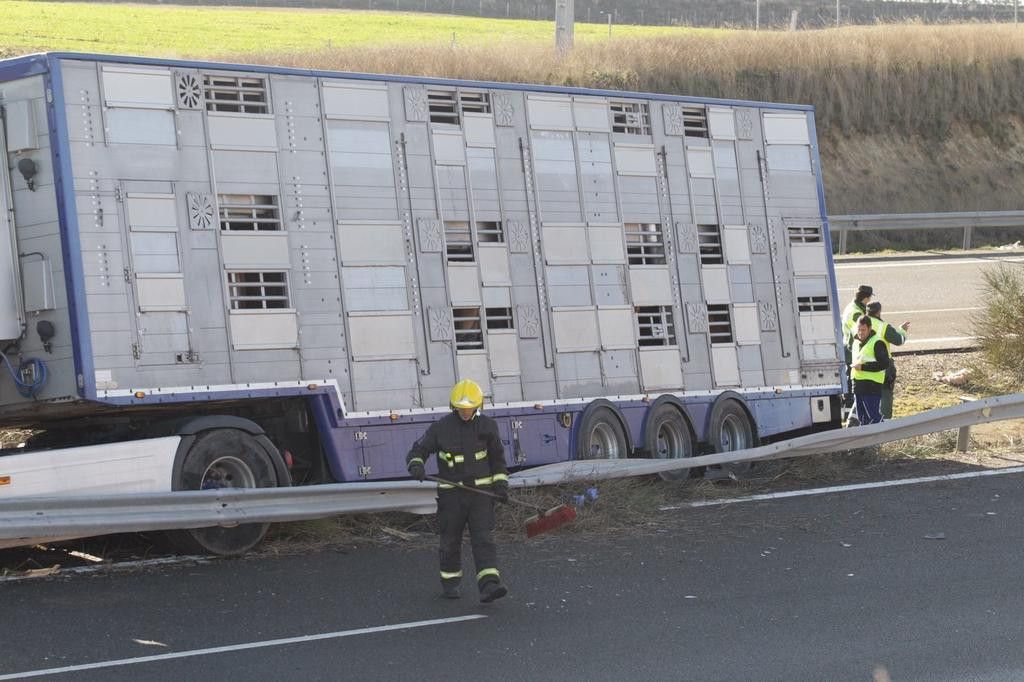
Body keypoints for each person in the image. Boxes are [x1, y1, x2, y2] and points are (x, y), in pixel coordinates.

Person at [406, 379, 510, 603]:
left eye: (469, 408)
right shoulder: (441, 428)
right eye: (461, 409)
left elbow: (498, 460)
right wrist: (416, 464)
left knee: (483, 539)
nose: (465, 412)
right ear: (454, 407)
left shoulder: (488, 427)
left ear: (478, 406)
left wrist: (501, 485)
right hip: (451, 497)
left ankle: (489, 585)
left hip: (481, 495)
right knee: (450, 540)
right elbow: (419, 449)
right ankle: (450, 582)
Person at [866, 301, 910, 420]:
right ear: (879, 311)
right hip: (883, 365)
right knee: (885, 393)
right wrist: (903, 330)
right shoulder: (882, 326)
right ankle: (884, 422)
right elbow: (899, 340)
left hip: (864, 366)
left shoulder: (859, 324)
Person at [841, 285, 873, 425]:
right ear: (866, 298)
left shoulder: (851, 307)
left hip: (847, 347)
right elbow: (861, 332)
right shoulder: (856, 313)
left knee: (850, 380)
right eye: (869, 298)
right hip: (851, 350)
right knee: (852, 382)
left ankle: (848, 413)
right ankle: (850, 416)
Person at [850, 314, 890, 426]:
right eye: (859, 329)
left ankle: (882, 439)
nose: (860, 332)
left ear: (869, 329)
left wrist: (863, 367)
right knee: (862, 419)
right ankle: (868, 443)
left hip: (871, 385)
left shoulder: (877, 342)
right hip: (858, 385)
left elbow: (884, 364)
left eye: (863, 330)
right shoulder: (856, 342)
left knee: (874, 417)